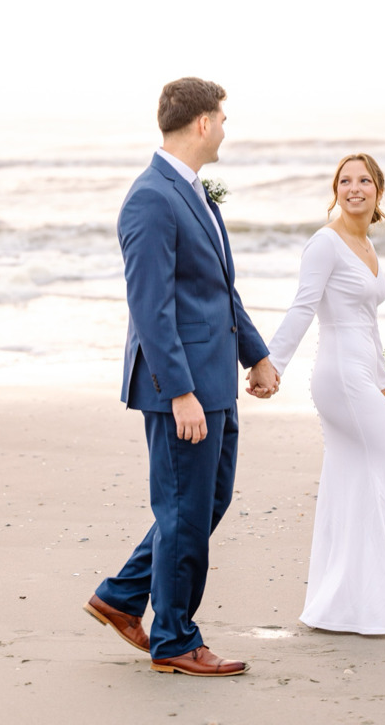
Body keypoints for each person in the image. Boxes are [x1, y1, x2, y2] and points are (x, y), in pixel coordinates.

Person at [84, 77, 280, 677]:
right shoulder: (151, 197)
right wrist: (181, 393)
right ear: (201, 123)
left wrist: (257, 354)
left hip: (216, 378)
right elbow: (151, 308)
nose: (225, 126)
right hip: (184, 389)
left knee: (203, 504)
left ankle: (120, 597)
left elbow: (220, 290)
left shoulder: (196, 193)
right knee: (184, 511)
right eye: (222, 117)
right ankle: (174, 639)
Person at [266, 153, 385, 634]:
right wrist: (272, 364)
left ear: (378, 191)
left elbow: (368, 322)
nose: (355, 188)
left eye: (365, 180)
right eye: (345, 180)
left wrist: (383, 374)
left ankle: (343, 604)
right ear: (336, 190)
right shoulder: (325, 244)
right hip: (338, 377)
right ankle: (368, 600)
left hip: (360, 374)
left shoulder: (367, 244)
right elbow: (303, 307)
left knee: (353, 483)